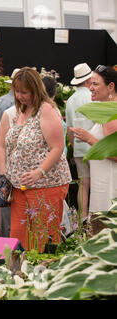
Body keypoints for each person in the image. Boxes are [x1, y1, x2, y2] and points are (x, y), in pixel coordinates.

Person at [0, 67, 71, 252]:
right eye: (17, 92)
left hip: (46, 185)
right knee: (19, 237)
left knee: (44, 239)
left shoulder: (46, 110)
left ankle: (45, 275)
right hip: (20, 187)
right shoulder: (22, 110)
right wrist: (5, 173)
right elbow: (4, 146)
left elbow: (57, 148)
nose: (20, 96)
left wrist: (39, 172)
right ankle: (22, 275)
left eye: (24, 92)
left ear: (35, 89)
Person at [69, 65, 117, 213]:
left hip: (109, 188)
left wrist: (89, 139)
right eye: (90, 83)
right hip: (103, 183)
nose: (90, 88)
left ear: (110, 86)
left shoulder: (111, 114)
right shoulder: (106, 109)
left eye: (95, 84)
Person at [0, 68, 19, 237]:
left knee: (0, 198)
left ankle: (1, 232)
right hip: (6, 159)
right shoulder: (12, 105)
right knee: (8, 201)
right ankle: (7, 238)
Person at [65, 63, 94, 219]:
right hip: (95, 146)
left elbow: (70, 129)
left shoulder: (71, 100)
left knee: (83, 183)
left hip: (79, 148)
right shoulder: (94, 96)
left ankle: (83, 218)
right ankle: (96, 217)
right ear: (89, 79)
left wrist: (73, 147)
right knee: (97, 184)